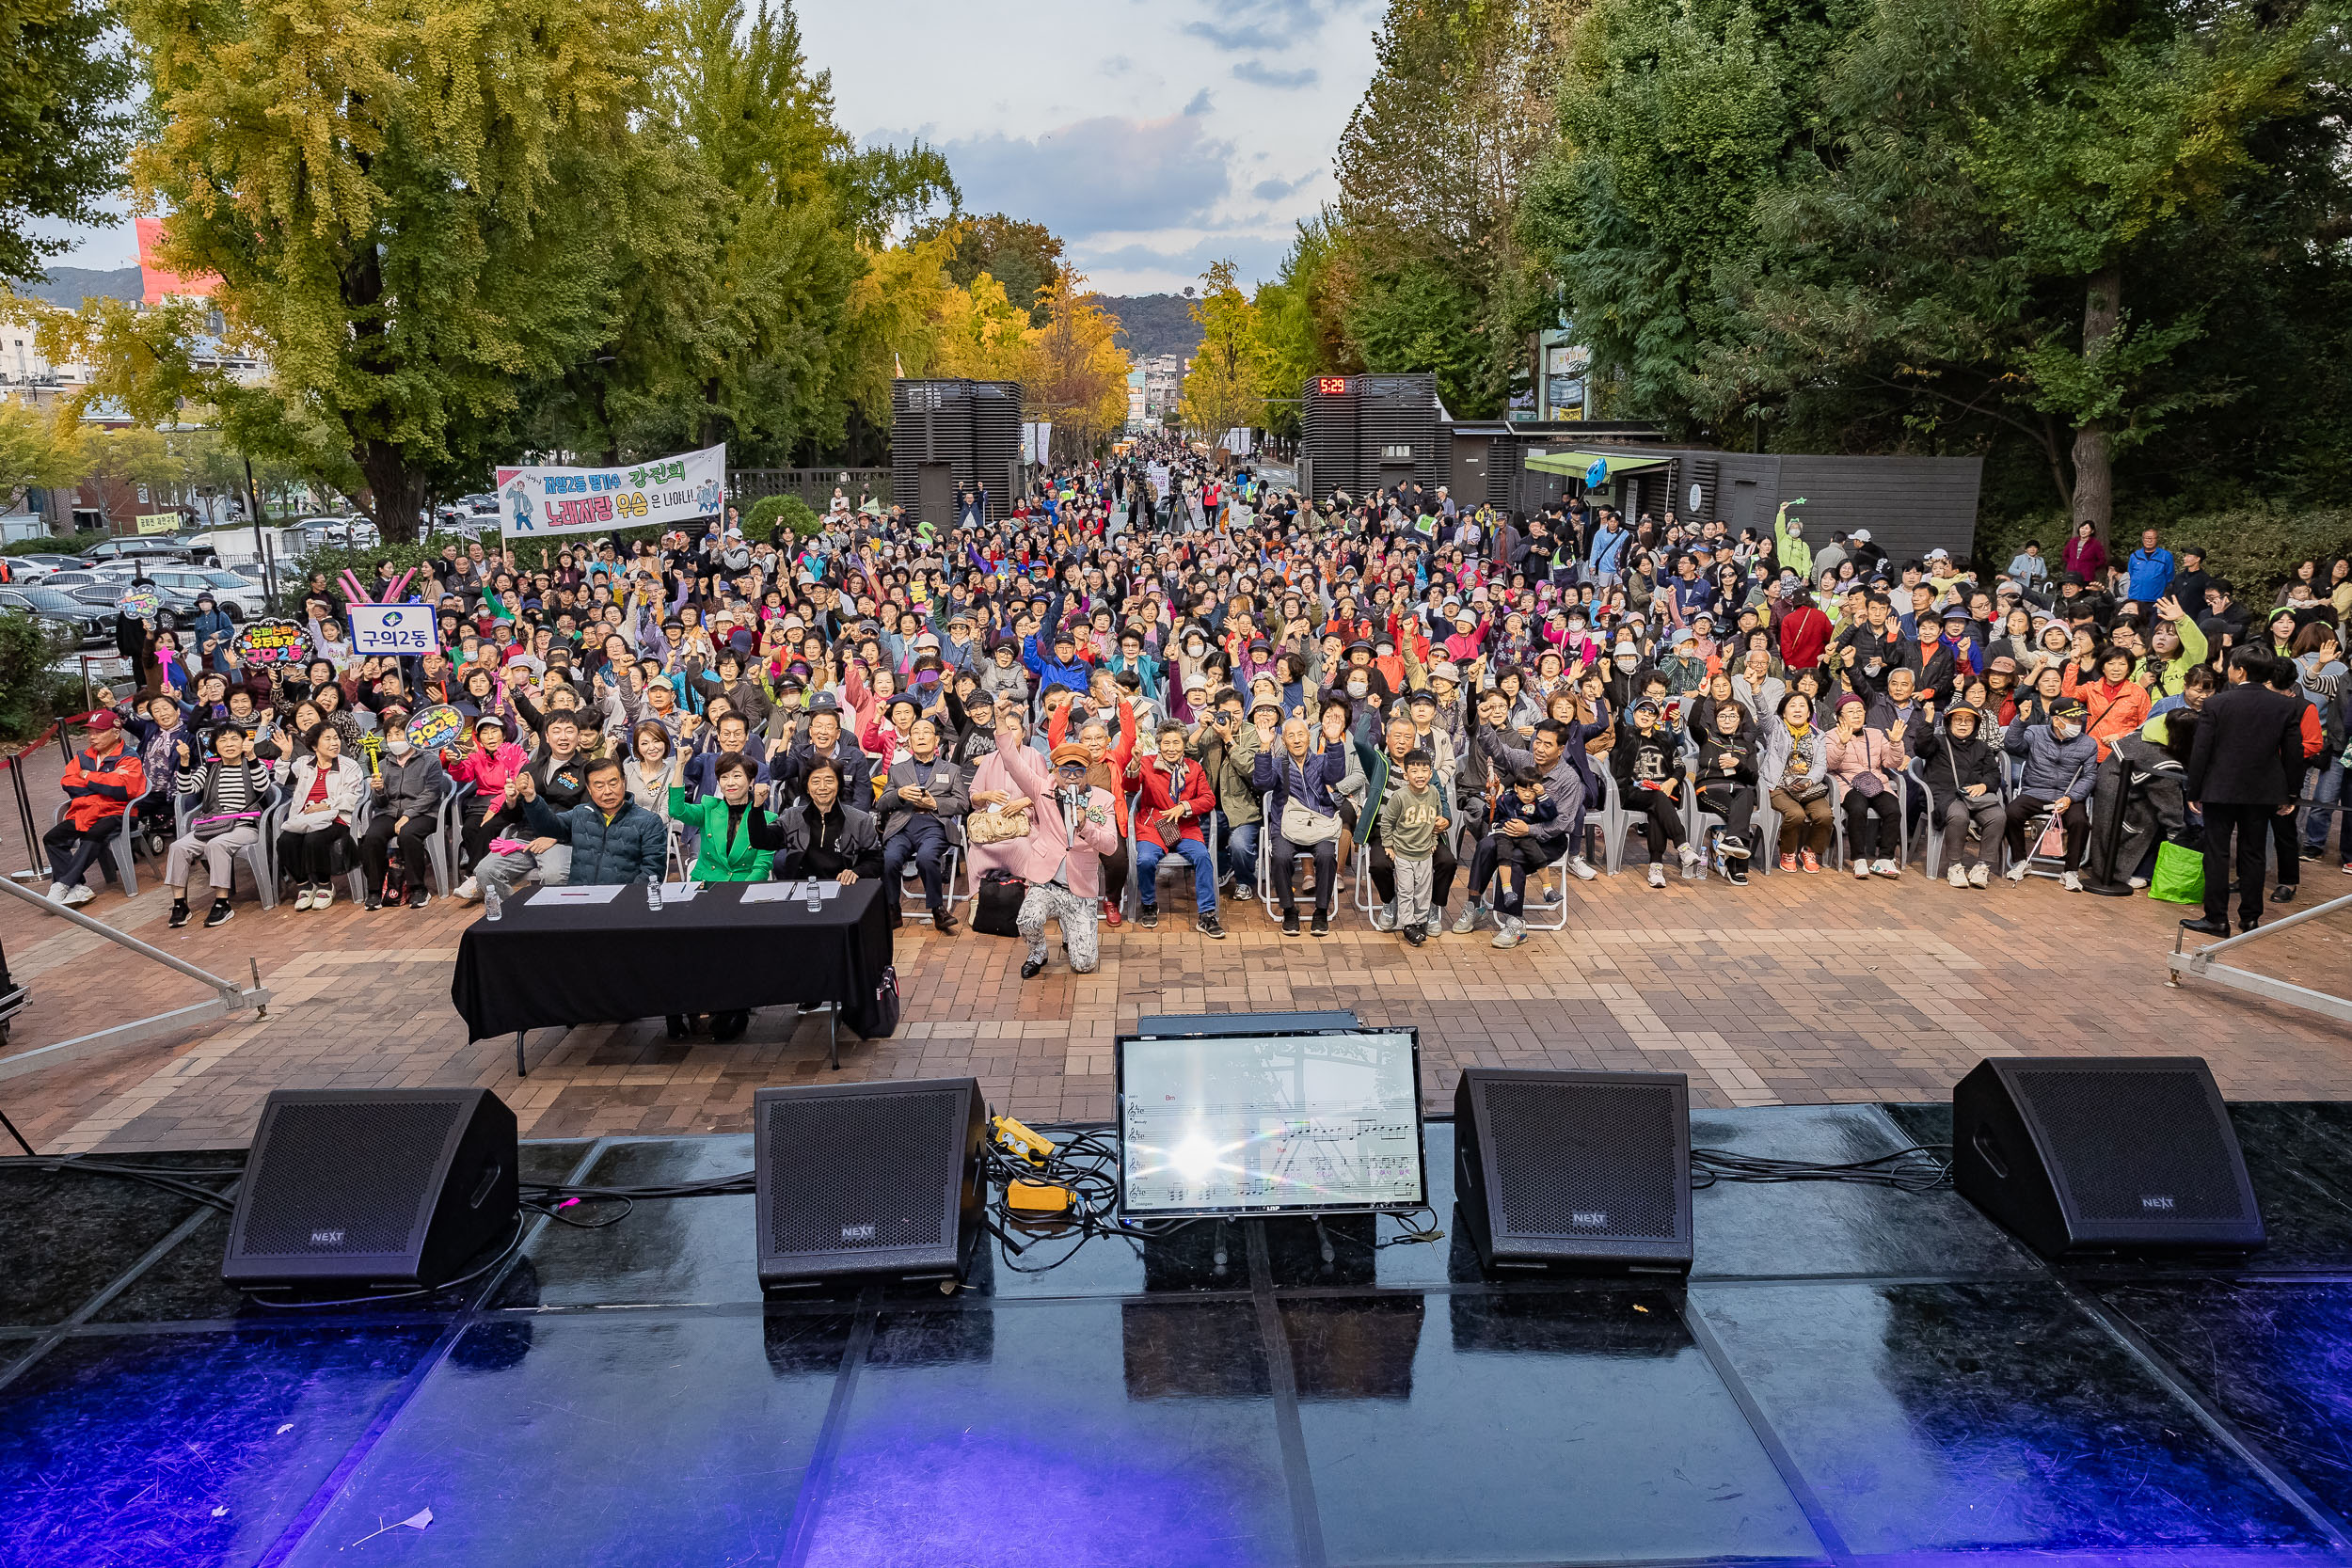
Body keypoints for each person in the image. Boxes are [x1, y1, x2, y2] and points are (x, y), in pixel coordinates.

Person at [2183, 649, 2307, 936]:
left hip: (2220, 787)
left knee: (2217, 853)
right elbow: (2293, 753)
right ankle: (2250, 918)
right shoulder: (2286, 706)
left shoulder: (2217, 704)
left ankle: (2216, 918)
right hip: (2263, 790)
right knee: (2253, 853)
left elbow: (2201, 750)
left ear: (2240, 671)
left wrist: (2194, 789)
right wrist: (2291, 793)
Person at [995, 723, 1120, 977]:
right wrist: (999, 721)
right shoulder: (1043, 791)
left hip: (1080, 888)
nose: (1072, 776)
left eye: (1078, 770)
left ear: (1087, 772)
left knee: (1084, 965)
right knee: (1027, 920)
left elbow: (1110, 845)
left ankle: (1070, 926)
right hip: (1046, 882)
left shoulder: (1103, 800)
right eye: (1066, 770)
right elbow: (1012, 761)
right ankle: (1038, 952)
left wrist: (1085, 825)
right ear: (1056, 771)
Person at [163, 721, 274, 927]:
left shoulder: (253, 764)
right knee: (178, 847)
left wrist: (251, 757)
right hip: (213, 825)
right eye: (223, 740)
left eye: (234, 739)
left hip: (245, 825)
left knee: (217, 845)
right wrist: (185, 762)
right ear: (215, 746)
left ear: (244, 743)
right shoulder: (210, 768)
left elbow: (263, 786)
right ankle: (179, 904)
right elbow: (187, 790)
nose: (229, 744)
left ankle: (222, 903)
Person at [1254, 714, 1349, 937]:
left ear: (1309, 737)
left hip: (1320, 825)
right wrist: (1264, 747)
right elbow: (1262, 782)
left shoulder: (1321, 761)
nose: (1296, 740)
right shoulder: (1278, 764)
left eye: (1300, 734)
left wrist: (1334, 742)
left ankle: (1321, 911)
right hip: (1285, 827)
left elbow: (1336, 775)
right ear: (1284, 740)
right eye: (1290, 736)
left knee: (1326, 855)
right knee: (1280, 856)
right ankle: (1289, 910)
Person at [1127, 719, 1224, 936]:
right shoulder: (1147, 763)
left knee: (1202, 857)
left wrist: (1185, 807)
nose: (1171, 748)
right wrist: (1134, 764)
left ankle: (1207, 914)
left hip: (1185, 828)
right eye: (1166, 743)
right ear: (1159, 745)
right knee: (1145, 860)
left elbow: (1208, 799)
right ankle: (1149, 903)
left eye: (1176, 743)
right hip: (1153, 826)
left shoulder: (1194, 767)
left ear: (1184, 745)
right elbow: (1130, 786)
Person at [43, 712, 148, 909]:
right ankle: (77, 887)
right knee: (52, 838)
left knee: (95, 834)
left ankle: (63, 884)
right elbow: (68, 783)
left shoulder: (129, 757)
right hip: (86, 812)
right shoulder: (83, 756)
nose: (92, 736)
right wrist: (104, 781)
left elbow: (124, 790)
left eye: (99, 732)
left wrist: (88, 776)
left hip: (119, 813)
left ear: (116, 733)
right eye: (90, 731)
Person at [514, 754, 670, 884]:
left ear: (624, 782)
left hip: (623, 904)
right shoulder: (580, 813)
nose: (607, 791)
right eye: (599, 786)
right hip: (581, 900)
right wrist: (531, 797)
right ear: (589, 789)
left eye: (613, 783)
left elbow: (653, 872)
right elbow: (549, 828)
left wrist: (627, 900)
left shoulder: (649, 821)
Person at [876, 716, 967, 932]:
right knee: (889, 859)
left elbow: (963, 804)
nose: (920, 736)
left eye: (926, 732)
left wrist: (935, 803)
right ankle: (892, 908)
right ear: (909, 742)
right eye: (915, 733)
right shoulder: (897, 770)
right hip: (903, 824)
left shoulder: (951, 770)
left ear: (936, 741)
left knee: (927, 858)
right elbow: (882, 803)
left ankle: (937, 909)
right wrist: (899, 794)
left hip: (933, 824)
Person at [2001, 697, 2098, 890]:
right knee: (2012, 813)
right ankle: (2021, 861)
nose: (2078, 724)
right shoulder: (2035, 733)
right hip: (2035, 791)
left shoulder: (2088, 744)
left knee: (2080, 822)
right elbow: (2012, 745)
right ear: (2056, 720)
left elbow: (2089, 777)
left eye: (2080, 720)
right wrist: (2021, 720)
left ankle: (2070, 871)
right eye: (2072, 720)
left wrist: (2071, 798)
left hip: (2068, 795)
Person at [359, 716, 451, 910]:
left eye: (398, 734)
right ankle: (375, 891)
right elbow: (379, 803)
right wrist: (378, 790)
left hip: (423, 813)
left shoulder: (430, 760)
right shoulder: (383, 764)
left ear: (411, 734)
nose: (393, 739)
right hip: (390, 812)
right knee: (372, 837)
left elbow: (431, 793)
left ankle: (418, 889)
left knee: (408, 834)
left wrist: (408, 815)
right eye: (389, 735)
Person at [277, 722, 367, 909]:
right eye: (328, 739)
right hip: (304, 818)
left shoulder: (349, 766)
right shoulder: (303, 764)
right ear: (314, 745)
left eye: (336, 738)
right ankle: (305, 886)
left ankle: (325, 885)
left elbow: (353, 796)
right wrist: (285, 755)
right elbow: (281, 780)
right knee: (285, 840)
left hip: (338, 818)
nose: (335, 743)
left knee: (314, 839)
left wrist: (326, 805)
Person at [1609, 697, 1695, 889]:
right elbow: (1615, 702)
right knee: (1658, 799)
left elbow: (1679, 767)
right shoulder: (1626, 734)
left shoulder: (1664, 738)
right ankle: (1683, 847)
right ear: (1634, 713)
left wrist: (1672, 781)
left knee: (1658, 805)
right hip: (1632, 791)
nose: (1646, 715)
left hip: (1661, 792)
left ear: (1657, 717)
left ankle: (1656, 867)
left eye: (1651, 712)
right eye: (1642, 710)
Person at [1919, 704, 2005, 886]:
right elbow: (1921, 748)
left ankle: (1982, 867)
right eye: (1958, 720)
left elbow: (1994, 773)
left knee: (1997, 817)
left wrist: (1984, 785)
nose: (1963, 724)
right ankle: (1955, 866)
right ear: (1949, 722)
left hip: (1975, 796)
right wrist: (1928, 721)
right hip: (1945, 794)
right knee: (1958, 816)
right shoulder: (1938, 741)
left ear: (1975, 725)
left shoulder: (1981, 747)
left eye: (1968, 720)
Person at [1824, 692, 1909, 879]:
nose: (1856, 715)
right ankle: (1859, 859)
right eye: (1850, 711)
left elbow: (1891, 763)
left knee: (1893, 809)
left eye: (1859, 710)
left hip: (1876, 783)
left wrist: (1895, 743)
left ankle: (1885, 859)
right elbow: (1830, 764)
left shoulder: (1876, 734)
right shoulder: (1831, 736)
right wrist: (1841, 744)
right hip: (1847, 784)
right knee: (1858, 808)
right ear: (1840, 717)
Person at [1376, 748, 1449, 946]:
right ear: (1406, 774)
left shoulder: (1433, 792)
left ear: (1431, 773)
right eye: (1414, 771)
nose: (1420, 776)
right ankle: (1407, 923)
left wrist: (1434, 842)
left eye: (1424, 771)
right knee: (1406, 890)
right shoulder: (1400, 797)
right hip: (1403, 853)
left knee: (1424, 890)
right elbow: (1387, 822)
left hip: (1425, 852)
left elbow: (1436, 819)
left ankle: (1420, 920)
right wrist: (1389, 845)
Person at [1762, 691, 1833, 871]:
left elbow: (1820, 765)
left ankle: (1809, 850)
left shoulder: (1818, 735)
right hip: (1780, 787)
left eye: (1802, 706)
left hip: (1807, 788)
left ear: (1809, 713)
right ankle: (1787, 852)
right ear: (1783, 712)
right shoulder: (1776, 729)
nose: (1797, 710)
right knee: (1796, 815)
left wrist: (1809, 781)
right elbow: (1762, 712)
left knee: (1825, 816)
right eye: (1792, 705)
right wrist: (1755, 688)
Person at [1693, 698, 1758, 882]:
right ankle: (1737, 868)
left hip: (1738, 789)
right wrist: (1701, 696)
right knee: (1740, 815)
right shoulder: (1707, 737)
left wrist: (1738, 765)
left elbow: (1753, 778)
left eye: (1732, 716)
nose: (1727, 720)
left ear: (1740, 720)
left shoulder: (1748, 746)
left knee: (1747, 794)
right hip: (1710, 788)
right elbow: (1692, 723)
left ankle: (1730, 844)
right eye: (1722, 716)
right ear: (1715, 719)